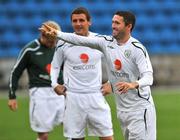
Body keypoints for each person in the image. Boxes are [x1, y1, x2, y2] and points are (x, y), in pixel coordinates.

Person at [40, 11, 156, 140]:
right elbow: (79, 40)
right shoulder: (106, 43)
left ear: (128, 26)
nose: (113, 26)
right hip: (122, 110)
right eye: (112, 22)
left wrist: (134, 84)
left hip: (140, 109)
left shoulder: (137, 48)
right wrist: (58, 34)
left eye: (117, 23)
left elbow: (149, 77)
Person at [49, 7, 114, 140]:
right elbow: (55, 66)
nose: (78, 24)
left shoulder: (99, 40)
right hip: (73, 97)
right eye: (75, 21)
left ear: (89, 22)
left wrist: (111, 83)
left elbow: (114, 63)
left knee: (107, 137)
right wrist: (54, 84)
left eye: (81, 20)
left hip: (96, 95)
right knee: (76, 138)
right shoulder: (63, 42)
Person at [8, 21, 65, 140]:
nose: (53, 43)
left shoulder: (59, 48)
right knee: (43, 135)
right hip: (40, 94)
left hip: (60, 92)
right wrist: (12, 95)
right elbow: (15, 72)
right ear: (42, 36)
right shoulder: (30, 50)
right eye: (50, 41)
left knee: (72, 129)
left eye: (55, 40)